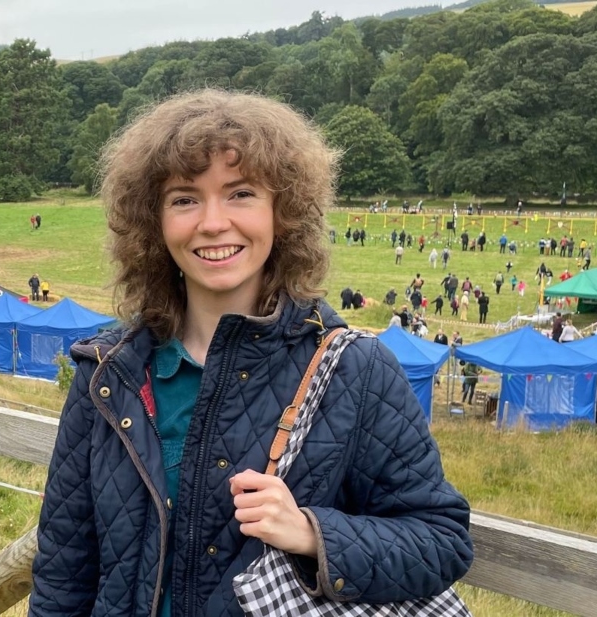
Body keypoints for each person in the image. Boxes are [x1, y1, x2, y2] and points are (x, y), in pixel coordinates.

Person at [29, 90, 473, 616]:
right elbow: (64, 572)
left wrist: (312, 533)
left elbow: (441, 540)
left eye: (240, 193)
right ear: (153, 222)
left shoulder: (356, 369)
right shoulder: (107, 374)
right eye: (184, 198)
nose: (213, 222)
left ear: (283, 213)